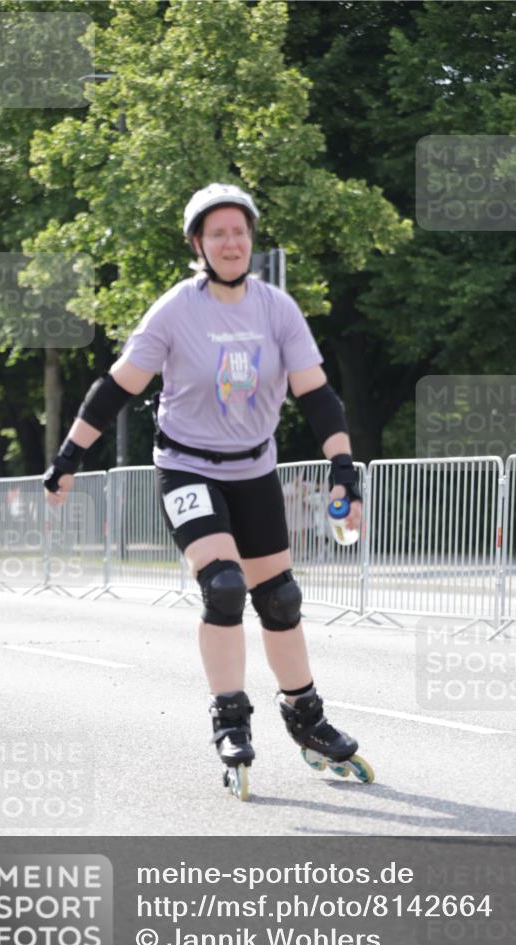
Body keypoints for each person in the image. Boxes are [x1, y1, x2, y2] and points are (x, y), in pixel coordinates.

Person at [43, 182, 374, 799]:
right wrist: (69, 456)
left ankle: (306, 717)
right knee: (224, 586)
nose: (231, 242)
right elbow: (117, 387)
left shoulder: (277, 309)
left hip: (254, 469)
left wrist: (343, 468)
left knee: (278, 599)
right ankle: (229, 719)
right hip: (187, 466)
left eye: (240, 232)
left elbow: (317, 396)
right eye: (217, 233)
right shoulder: (176, 309)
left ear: (251, 241)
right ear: (198, 243)